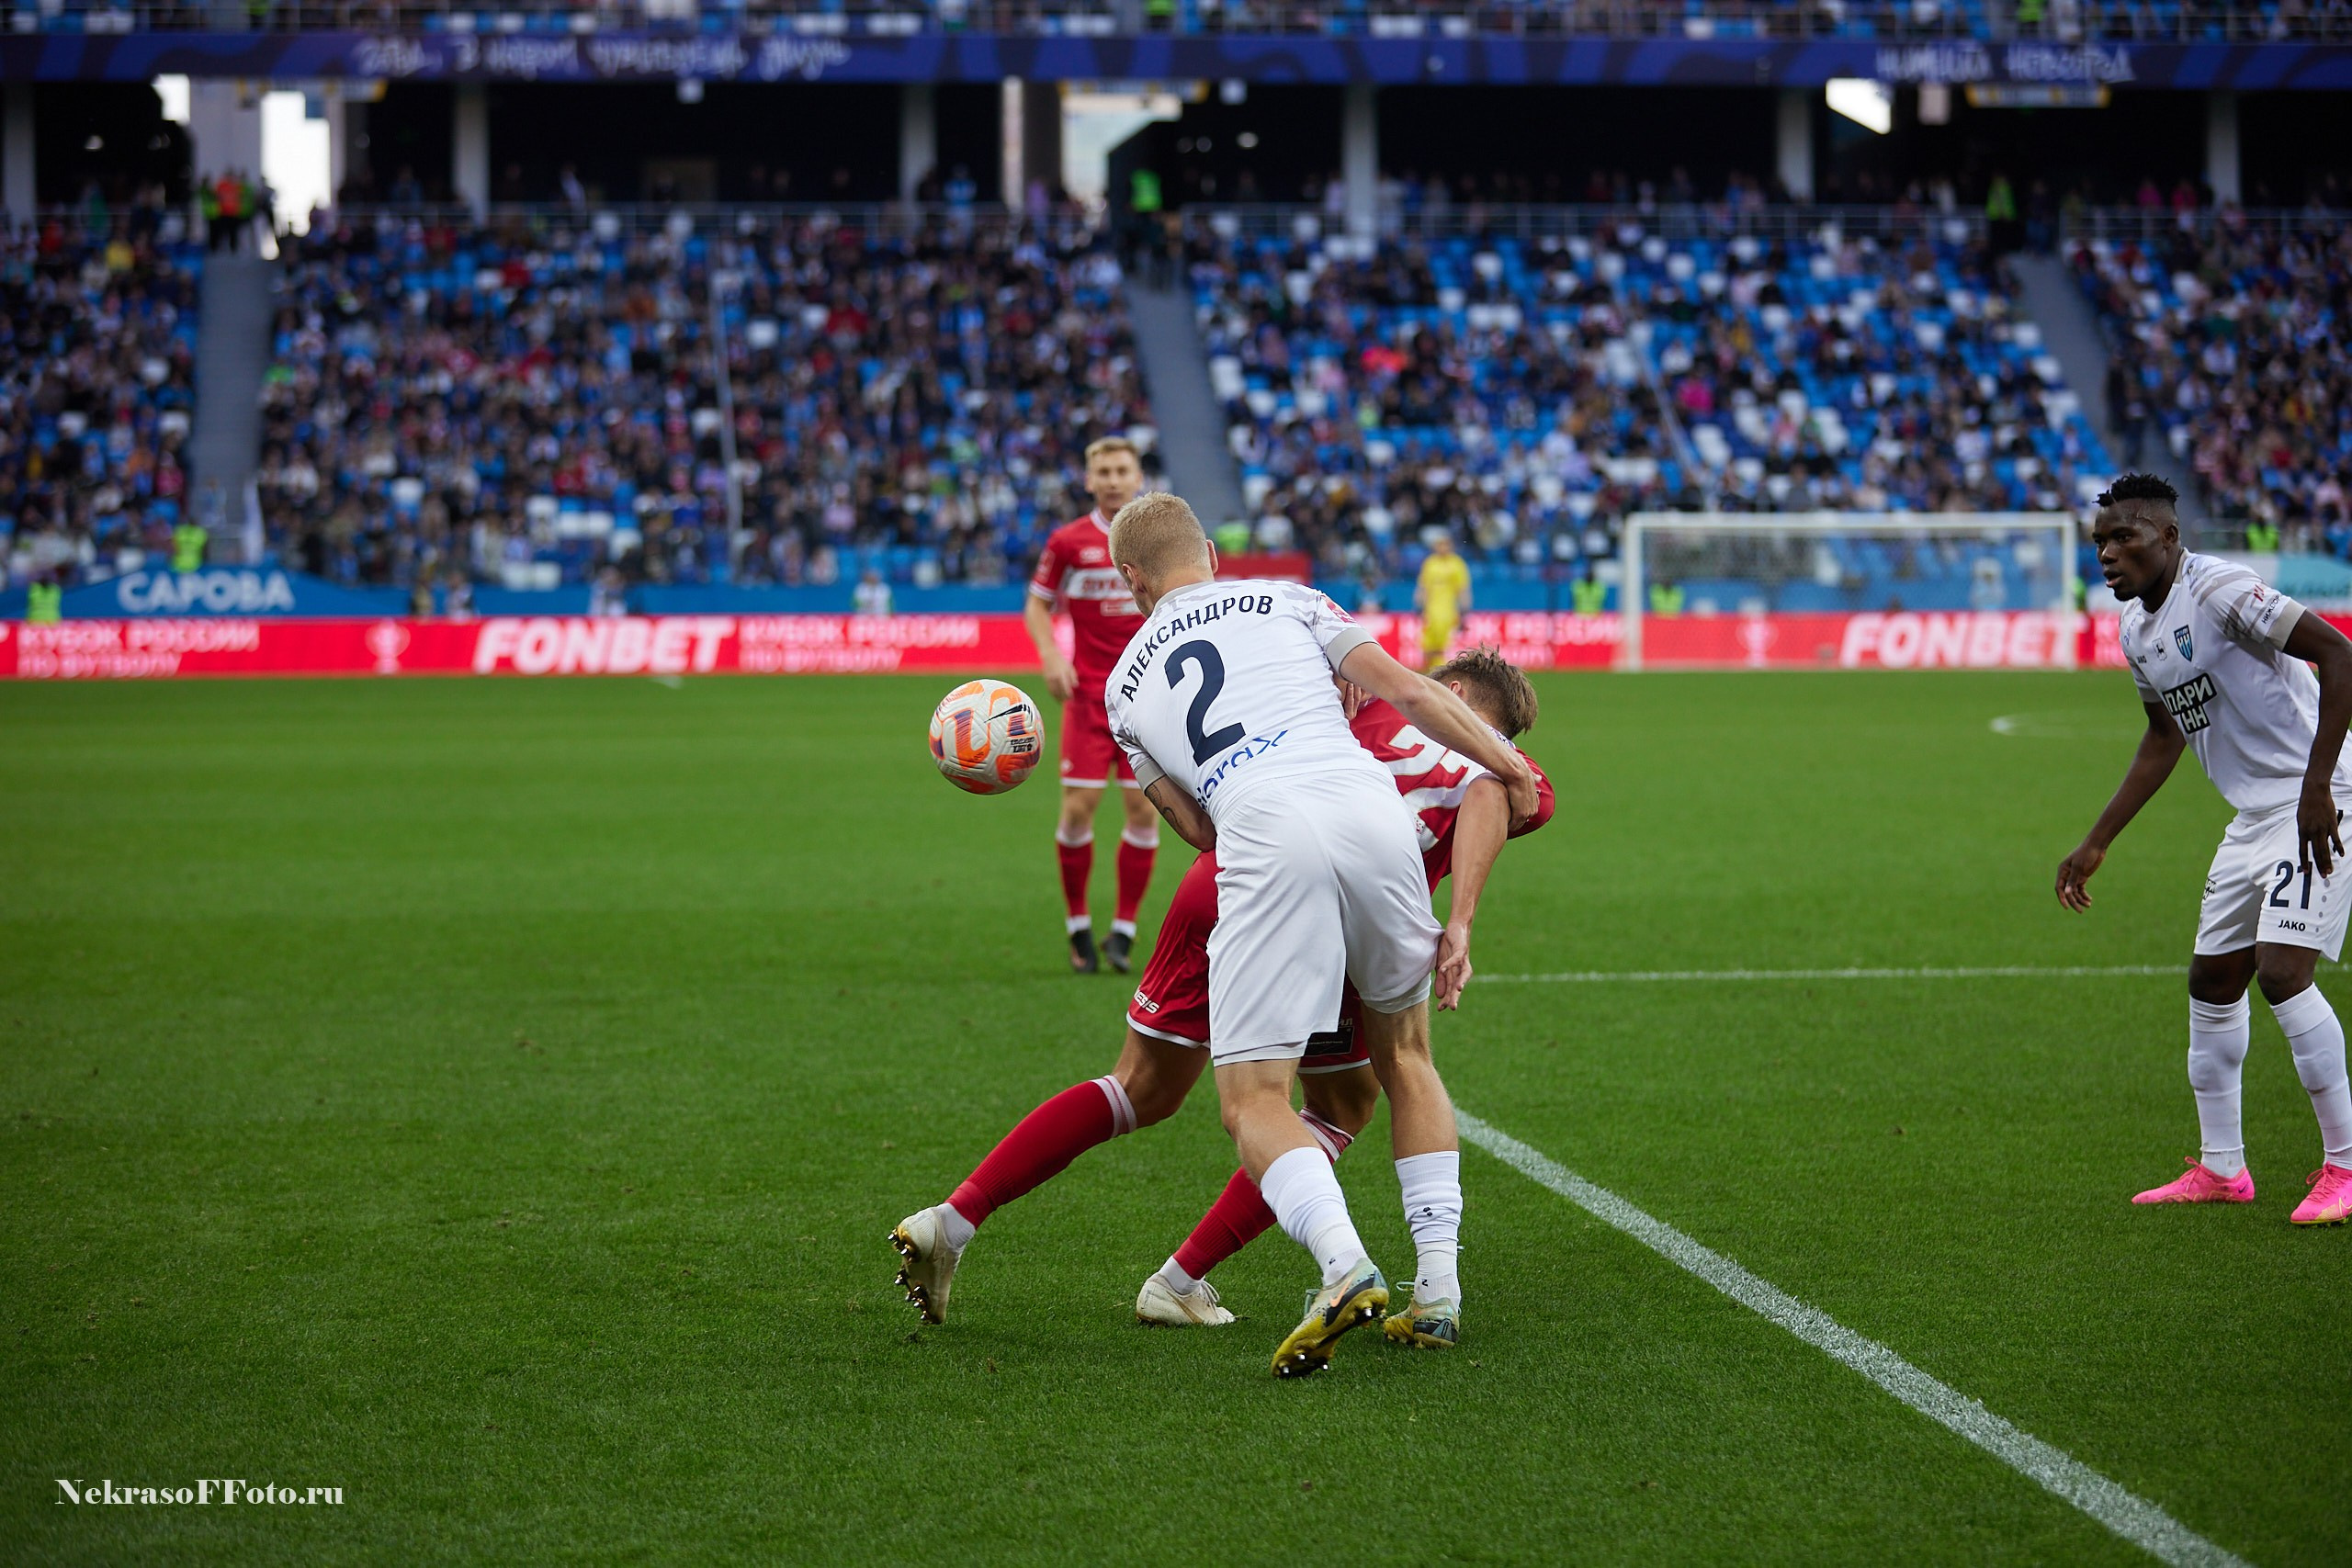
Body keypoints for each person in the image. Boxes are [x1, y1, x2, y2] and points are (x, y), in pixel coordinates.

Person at [889, 649, 1553, 1342]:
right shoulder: (1499, 764)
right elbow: (1492, 790)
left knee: (1140, 1087)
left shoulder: (1367, 699)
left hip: (1228, 874)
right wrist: (1463, 919)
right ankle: (1315, 1275)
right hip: (1336, 920)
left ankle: (956, 1218)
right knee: (1334, 1098)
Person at [2055, 472, 2352, 1224]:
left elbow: (2340, 657)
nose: (2110, 554)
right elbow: (2165, 737)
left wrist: (2320, 787)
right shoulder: (2134, 630)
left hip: (2319, 799)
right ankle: (2223, 1168)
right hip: (2253, 816)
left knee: (2283, 973)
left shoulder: (2221, 589)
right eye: (2101, 543)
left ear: (2169, 537)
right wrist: (2097, 841)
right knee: (2213, 982)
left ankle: (2345, 1168)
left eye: (2125, 537)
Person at [1023, 437, 1158, 976]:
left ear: (1139, 476)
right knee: (1077, 809)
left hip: (1146, 702)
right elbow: (1037, 602)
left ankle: (1123, 929)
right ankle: (1078, 923)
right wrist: (1051, 653)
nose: (1112, 479)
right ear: (1087, 480)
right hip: (1086, 698)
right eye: (1102, 470)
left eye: (1121, 469)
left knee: (1144, 810)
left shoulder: (1156, 539)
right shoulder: (1068, 541)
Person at [1415, 531, 1471, 671]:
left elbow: (1463, 589)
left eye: (1445, 544)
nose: (1442, 547)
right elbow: (1423, 587)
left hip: (1447, 612)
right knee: (1427, 645)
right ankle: (1430, 673)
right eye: (1440, 544)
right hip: (1430, 611)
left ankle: (1438, 673)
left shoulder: (1457, 564)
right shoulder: (1430, 563)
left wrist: (1464, 610)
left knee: (1441, 645)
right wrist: (1419, 605)